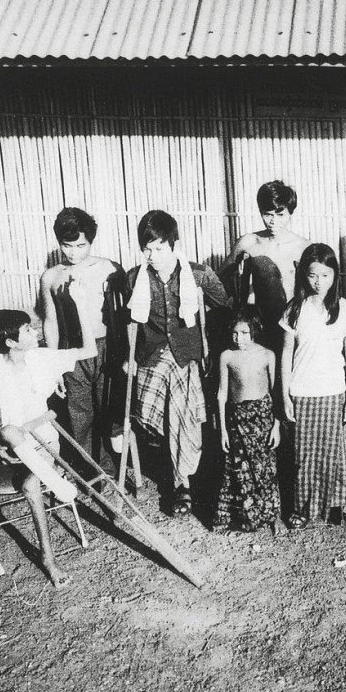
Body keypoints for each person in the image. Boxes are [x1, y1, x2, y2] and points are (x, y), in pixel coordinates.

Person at [0, 295, 98, 587]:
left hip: (45, 444)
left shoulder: (42, 358)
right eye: (28, 329)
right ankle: (55, 481)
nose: (35, 331)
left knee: (31, 482)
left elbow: (89, 350)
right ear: (11, 342)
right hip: (9, 450)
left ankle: (48, 558)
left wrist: (81, 303)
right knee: (7, 430)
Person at [126, 210, 230, 517]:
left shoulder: (198, 274)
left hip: (186, 357)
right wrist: (127, 358)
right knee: (170, 395)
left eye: (159, 248)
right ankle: (183, 466)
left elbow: (224, 306)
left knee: (180, 388)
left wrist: (211, 346)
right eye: (147, 249)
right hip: (150, 359)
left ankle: (181, 483)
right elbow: (128, 325)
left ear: (175, 244)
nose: (152, 255)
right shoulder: (136, 279)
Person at [280, 243, 346, 529]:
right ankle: (303, 509)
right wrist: (285, 397)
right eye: (313, 274)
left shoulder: (345, 310)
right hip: (302, 392)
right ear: (304, 275)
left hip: (333, 392)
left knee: (335, 453)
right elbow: (285, 355)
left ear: (335, 276)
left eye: (326, 275)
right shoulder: (295, 309)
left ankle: (339, 506)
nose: (319, 282)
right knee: (304, 455)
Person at [39, 207, 126, 475]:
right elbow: (50, 321)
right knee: (80, 413)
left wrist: (124, 354)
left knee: (108, 409)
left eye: (81, 245)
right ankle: (90, 471)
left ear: (91, 241)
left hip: (106, 347)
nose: (74, 252)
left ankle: (112, 465)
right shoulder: (51, 276)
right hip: (72, 351)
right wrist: (53, 365)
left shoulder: (109, 268)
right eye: (67, 246)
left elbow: (125, 315)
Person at [220, 181, 311, 349]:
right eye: (267, 214)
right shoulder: (249, 242)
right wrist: (235, 303)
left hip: (291, 323)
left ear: (291, 213)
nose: (273, 221)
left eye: (280, 215)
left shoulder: (302, 247)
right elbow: (221, 277)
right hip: (258, 323)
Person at [215, 307, 280, 533]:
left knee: (265, 469)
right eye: (235, 333)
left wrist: (276, 426)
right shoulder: (227, 356)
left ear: (255, 331)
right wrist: (223, 430)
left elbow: (276, 392)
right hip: (236, 420)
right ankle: (240, 517)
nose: (238, 339)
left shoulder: (267, 355)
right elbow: (222, 394)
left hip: (263, 419)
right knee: (237, 468)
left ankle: (273, 516)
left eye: (244, 333)